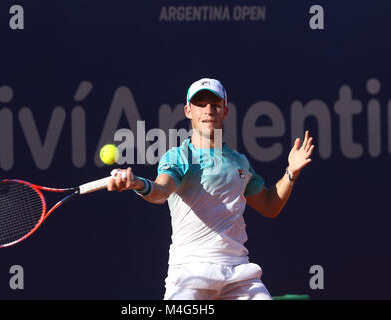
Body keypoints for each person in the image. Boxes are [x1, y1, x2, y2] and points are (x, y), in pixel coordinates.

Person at [106, 78, 314, 300]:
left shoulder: (239, 162)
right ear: (188, 111)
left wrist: (290, 173)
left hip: (239, 274)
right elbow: (161, 190)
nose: (208, 110)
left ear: (225, 111)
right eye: (200, 104)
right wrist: (138, 184)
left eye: (215, 105)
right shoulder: (179, 157)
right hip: (190, 273)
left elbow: (269, 205)